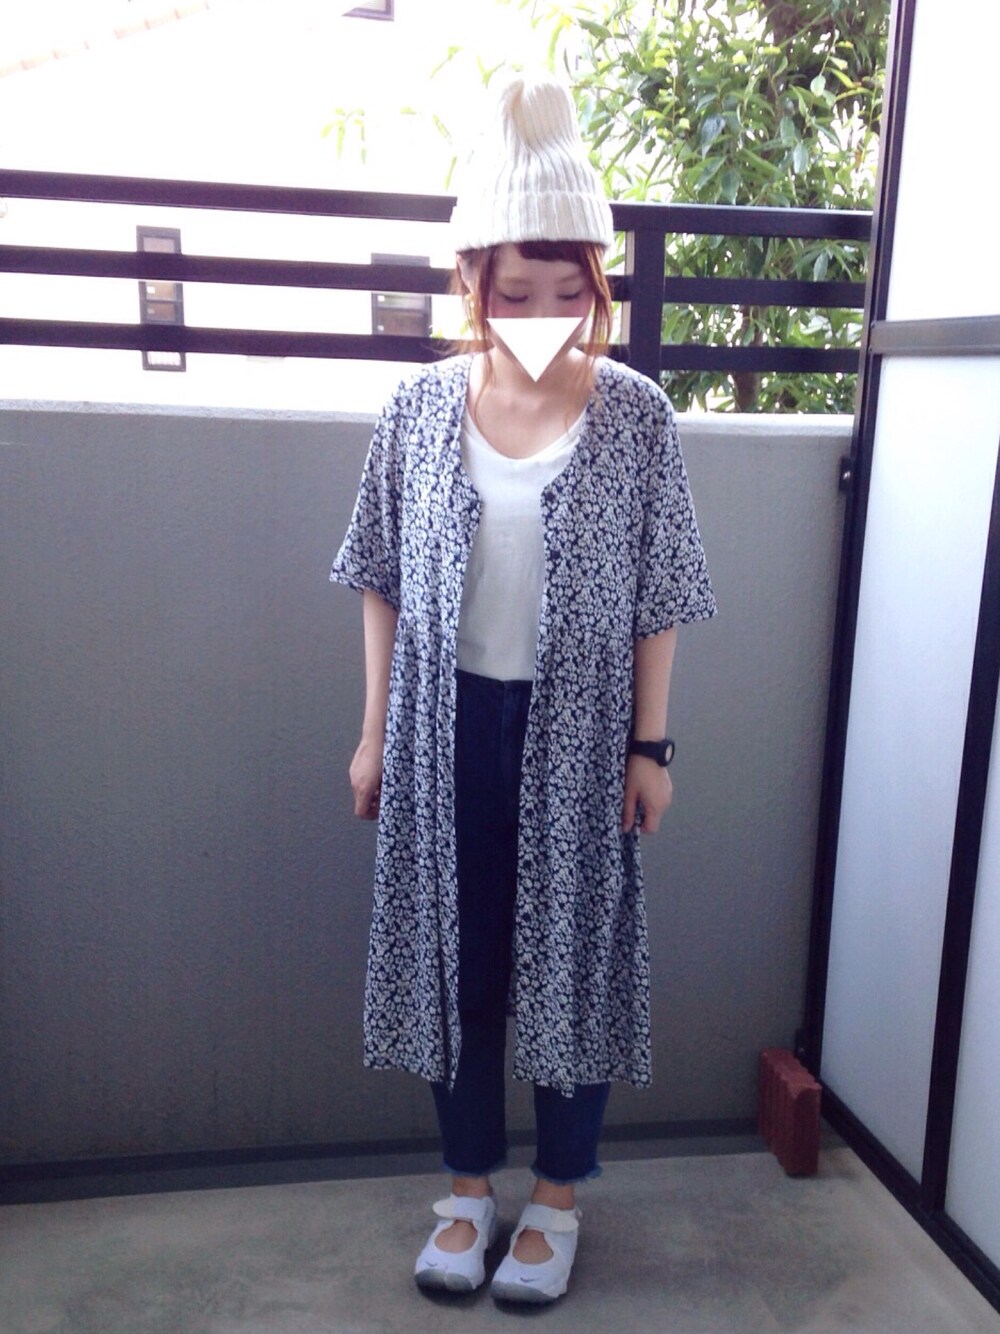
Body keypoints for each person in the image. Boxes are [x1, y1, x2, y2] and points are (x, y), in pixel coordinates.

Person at [330, 75, 716, 1305]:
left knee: (569, 955)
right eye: (514, 290)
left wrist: (651, 747)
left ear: (594, 286)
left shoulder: (637, 416)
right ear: (472, 283)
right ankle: (464, 1189)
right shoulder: (416, 410)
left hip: (582, 737)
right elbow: (379, 574)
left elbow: (661, 591)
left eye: (566, 290)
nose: (543, 314)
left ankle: (554, 1198)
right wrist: (374, 733)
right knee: (456, 956)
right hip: (444, 728)